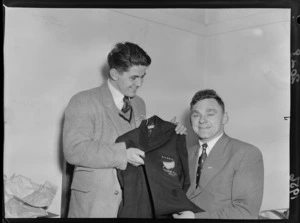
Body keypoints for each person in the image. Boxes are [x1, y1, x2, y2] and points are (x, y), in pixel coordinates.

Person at [63, 42, 186, 218]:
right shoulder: (83, 101)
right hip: (97, 203)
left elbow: (140, 143)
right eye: (134, 78)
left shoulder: (139, 103)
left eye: (143, 76)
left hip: (134, 201)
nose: (140, 83)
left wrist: (167, 133)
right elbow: (74, 150)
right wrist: (122, 155)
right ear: (114, 74)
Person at [173, 89, 264, 219]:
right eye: (196, 115)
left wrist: (195, 218)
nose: (202, 120)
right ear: (190, 121)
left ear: (224, 118)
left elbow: (246, 213)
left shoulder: (246, 153)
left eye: (210, 114)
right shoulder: (184, 154)